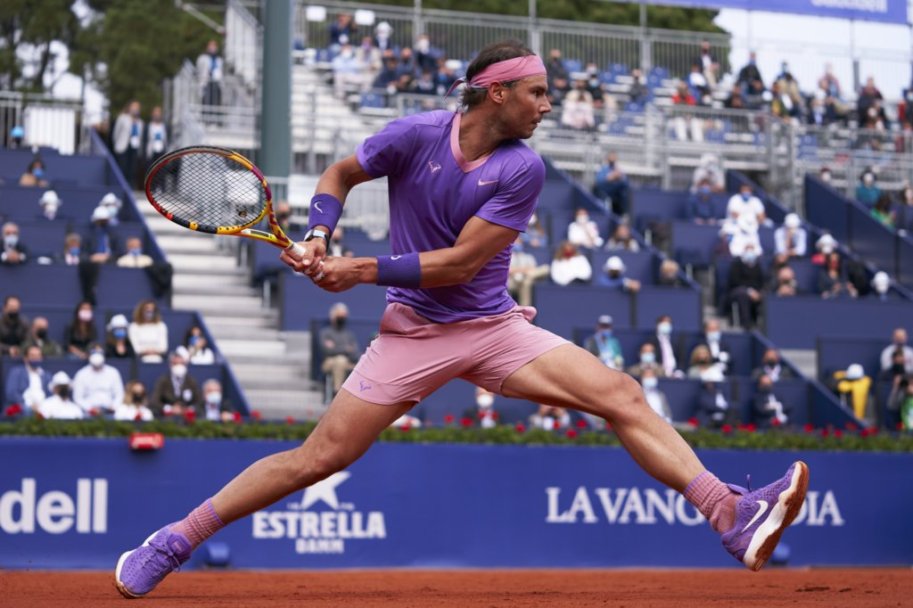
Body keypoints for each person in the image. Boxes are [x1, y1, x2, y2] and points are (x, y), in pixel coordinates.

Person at [115, 41, 809, 599]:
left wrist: (357, 270)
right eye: (537, 92)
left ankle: (727, 512)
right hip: (413, 333)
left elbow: (457, 264)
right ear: (496, 93)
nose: (548, 105)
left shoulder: (522, 169)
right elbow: (336, 175)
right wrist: (321, 234)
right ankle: (173, 541)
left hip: (492, 327)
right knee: (318, 459)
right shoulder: (412, 136)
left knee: (620, 394)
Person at [318, 303, 360, 396]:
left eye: (343, 316)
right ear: (333, 316)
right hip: (328, 362)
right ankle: (337, 392)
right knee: (341, 360)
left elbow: (355, 353)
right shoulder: (325, 333)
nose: (342, 318)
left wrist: (336, 348)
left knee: (344, 361)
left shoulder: (349, 335)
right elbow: (327, 351)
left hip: (347, 363)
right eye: (339, 316)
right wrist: (345, 349)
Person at [72, 345, 125, 416]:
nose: (97, 355)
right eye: (94, 352)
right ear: (89, 354)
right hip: (88, 412)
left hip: (110, 411)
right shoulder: (81, 374)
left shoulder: (113, 372)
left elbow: (119, 394)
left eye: (99, 352)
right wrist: (89, 408)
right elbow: (78, 397)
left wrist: (114, 406)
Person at [149, 349, 202, 418]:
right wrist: (169, 408)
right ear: (170, 364)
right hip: (167, 418)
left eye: (181, 364)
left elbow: (199, 401)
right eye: (176, 364)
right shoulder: (163, 381)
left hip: (187, 418)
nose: (179, 366)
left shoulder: (191, 381)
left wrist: (189, 409)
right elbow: (154, 400)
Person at [725, 245, 765, 328]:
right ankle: (746, 324)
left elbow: (761, 282)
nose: (750, 254)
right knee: (743, 294)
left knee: (765, 295)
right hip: (736, 291)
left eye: (752, 251)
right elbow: (734, 281)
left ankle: (763, 326)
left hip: (755, 292)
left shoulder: (757, 266)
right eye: (748, 251)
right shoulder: (736, 264)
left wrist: (758, 292)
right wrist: (749, 291)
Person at [3, 345, 50, 412]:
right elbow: (11, 393)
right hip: (23, 406)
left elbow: (50, 395)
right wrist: (29, 404)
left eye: (38, 356)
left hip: (43, 407)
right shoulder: (16, 372)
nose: (36, 358)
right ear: (26, 358)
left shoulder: (47, 375)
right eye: (32, 356)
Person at [507, 236, 549, 308]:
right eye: (515, 242)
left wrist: (523, 271)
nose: (517, 244)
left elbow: (534, 269)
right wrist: (524, 270)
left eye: (519, 242)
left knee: (546, 268)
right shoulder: (508, 256)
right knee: (526, 280)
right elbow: (508, 270)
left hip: (527, 278)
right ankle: (524, 310)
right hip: (513, 281)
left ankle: (524, 311)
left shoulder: (528, 256)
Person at [112, 101, 143, 188]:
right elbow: (116, 133)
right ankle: (120, 185)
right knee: (122, 167)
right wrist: (116, 145)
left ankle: (130, 186)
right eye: (133, 107)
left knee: (132, 168)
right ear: (129, 107)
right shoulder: (122, 118)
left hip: (134, 146)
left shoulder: (140, 122)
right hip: (123, 146)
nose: (135, 109)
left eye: (137, 107)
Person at [592, 152, 630, 216]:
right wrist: (609, 177)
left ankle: (623, 214)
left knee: (624, 194)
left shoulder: (618, 170)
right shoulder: (603, 169)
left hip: (616, 198)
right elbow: (598, 181)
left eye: (614, 157)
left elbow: (626, 183)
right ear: (607, 158)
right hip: (604, 194)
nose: (612, 159)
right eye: (611, 157)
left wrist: (619, 177)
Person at [196, 40, 223, 114]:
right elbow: (199, 69)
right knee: (206, 100)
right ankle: (205, 117)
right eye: (211, 46)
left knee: (216, 100)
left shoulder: (219, 59)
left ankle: (215, 117)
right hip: (206, 82)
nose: (213, 48)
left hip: (216, 82)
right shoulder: (202, 58)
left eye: (214, 46)